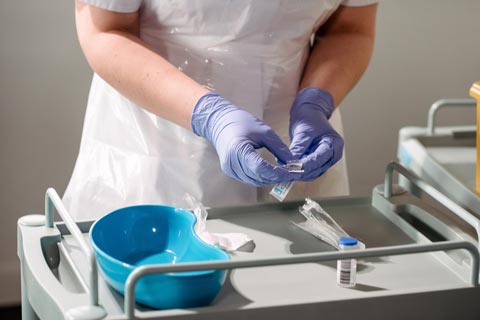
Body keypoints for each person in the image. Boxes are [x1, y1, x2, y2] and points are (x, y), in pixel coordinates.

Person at [64, 0, 378, 220]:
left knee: (300, 293)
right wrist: (210, 115)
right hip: (162, 141)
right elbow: (104, 31)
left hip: (294, 134)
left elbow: (350, 29)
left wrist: (317, 100)